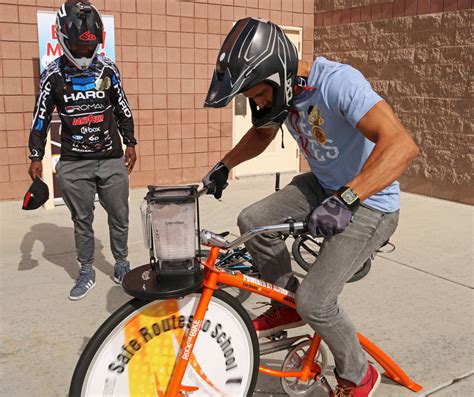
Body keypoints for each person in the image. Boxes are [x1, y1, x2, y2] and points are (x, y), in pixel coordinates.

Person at [203, 18, 418, 396]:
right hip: (322, 187)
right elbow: (262, 132)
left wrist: (347, 198)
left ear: (279, 74)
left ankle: (358, 375)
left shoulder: (338, 84)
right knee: (252, 220)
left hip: (370, 202)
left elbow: (402, 145)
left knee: (317, 302)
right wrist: (225, 166)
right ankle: (286, 303)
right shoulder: (285, 93)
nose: (258, 103)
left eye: (258, 95)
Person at [28, 1, 137, 301]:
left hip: (111, 158)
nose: (84, 53)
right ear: (64, 40)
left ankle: (122, 263)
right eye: (78, 47)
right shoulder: (53, 74)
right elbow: (40, 116)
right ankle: (87, 269)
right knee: (82, 220)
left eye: (89, 48)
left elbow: (122, 107)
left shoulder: (108, 69)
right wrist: (35, 155)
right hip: (75, 163)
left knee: (119, 215)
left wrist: (131, 141)